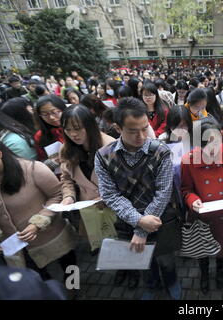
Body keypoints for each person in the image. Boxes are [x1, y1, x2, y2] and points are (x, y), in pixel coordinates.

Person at [95, 97, 181, 300]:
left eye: (145, 128)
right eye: (133, 131)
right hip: (127, 221)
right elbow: (110, 194)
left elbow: (163, 191)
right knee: (142, 260)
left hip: (161, 219)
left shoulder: (160, 151)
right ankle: (151, 286)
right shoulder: (104, 155)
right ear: (117, 128)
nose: (141, 136)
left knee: (166, 259)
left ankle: (171, 281)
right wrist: (139, 221)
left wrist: (142, 228)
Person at [0, 141, 78, 281]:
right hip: (17, 248)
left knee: (69, 267)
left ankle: (73, 286)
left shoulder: (31, 169)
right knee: (38, 279)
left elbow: (57, 195)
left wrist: (38, 222)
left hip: (51, 236)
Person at [181, 119, 223, 295]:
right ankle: (204, 273)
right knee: (203, 248)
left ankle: (221, 270)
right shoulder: (189, 160)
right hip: (201, 215)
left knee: (222, 246)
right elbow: (186, 189)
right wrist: (192, 200)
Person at [34, 95, 67, 171]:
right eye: (45, 114)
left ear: (63, 109)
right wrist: (53, 162)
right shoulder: (40, 136)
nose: (51, 117)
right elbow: (42, 161)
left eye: (54, 112)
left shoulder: (77, 126)